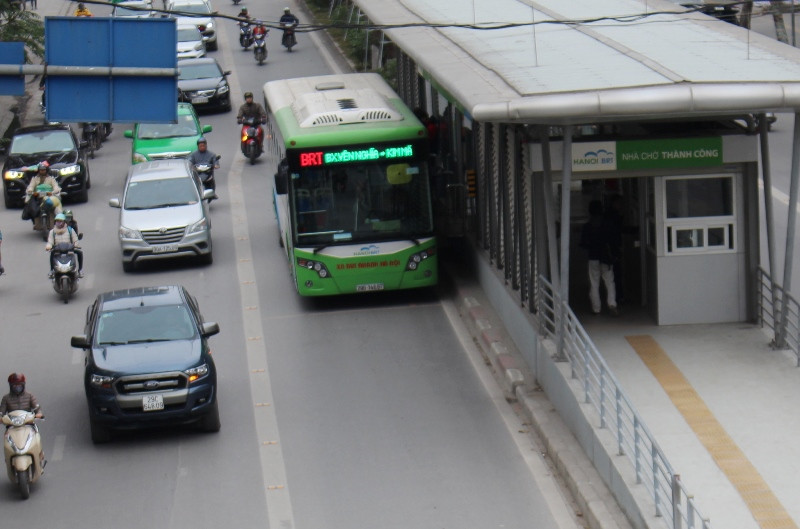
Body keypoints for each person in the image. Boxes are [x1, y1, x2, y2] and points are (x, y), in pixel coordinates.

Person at [580, 200, 619, 316]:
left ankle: (596, 308)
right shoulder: (607, 225)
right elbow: (613, 241)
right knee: (610, 282)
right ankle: (612, 304)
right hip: (606, 258)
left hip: (593, 257)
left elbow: (584, 243)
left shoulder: (587, 227)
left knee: (594, 283)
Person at [46, 213, 83, 278]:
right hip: (57, 250)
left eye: (60, 221)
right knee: (52, 254)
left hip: (69, 249)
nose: (58, 223)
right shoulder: (52, 232)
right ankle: (52, 270)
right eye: (57, 221)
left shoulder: (70, 230)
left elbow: (75, 240)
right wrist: (49, 246)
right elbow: (50, 241)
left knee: (80, 253)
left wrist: (76, 245)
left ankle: (80, 270)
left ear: (64, 222)